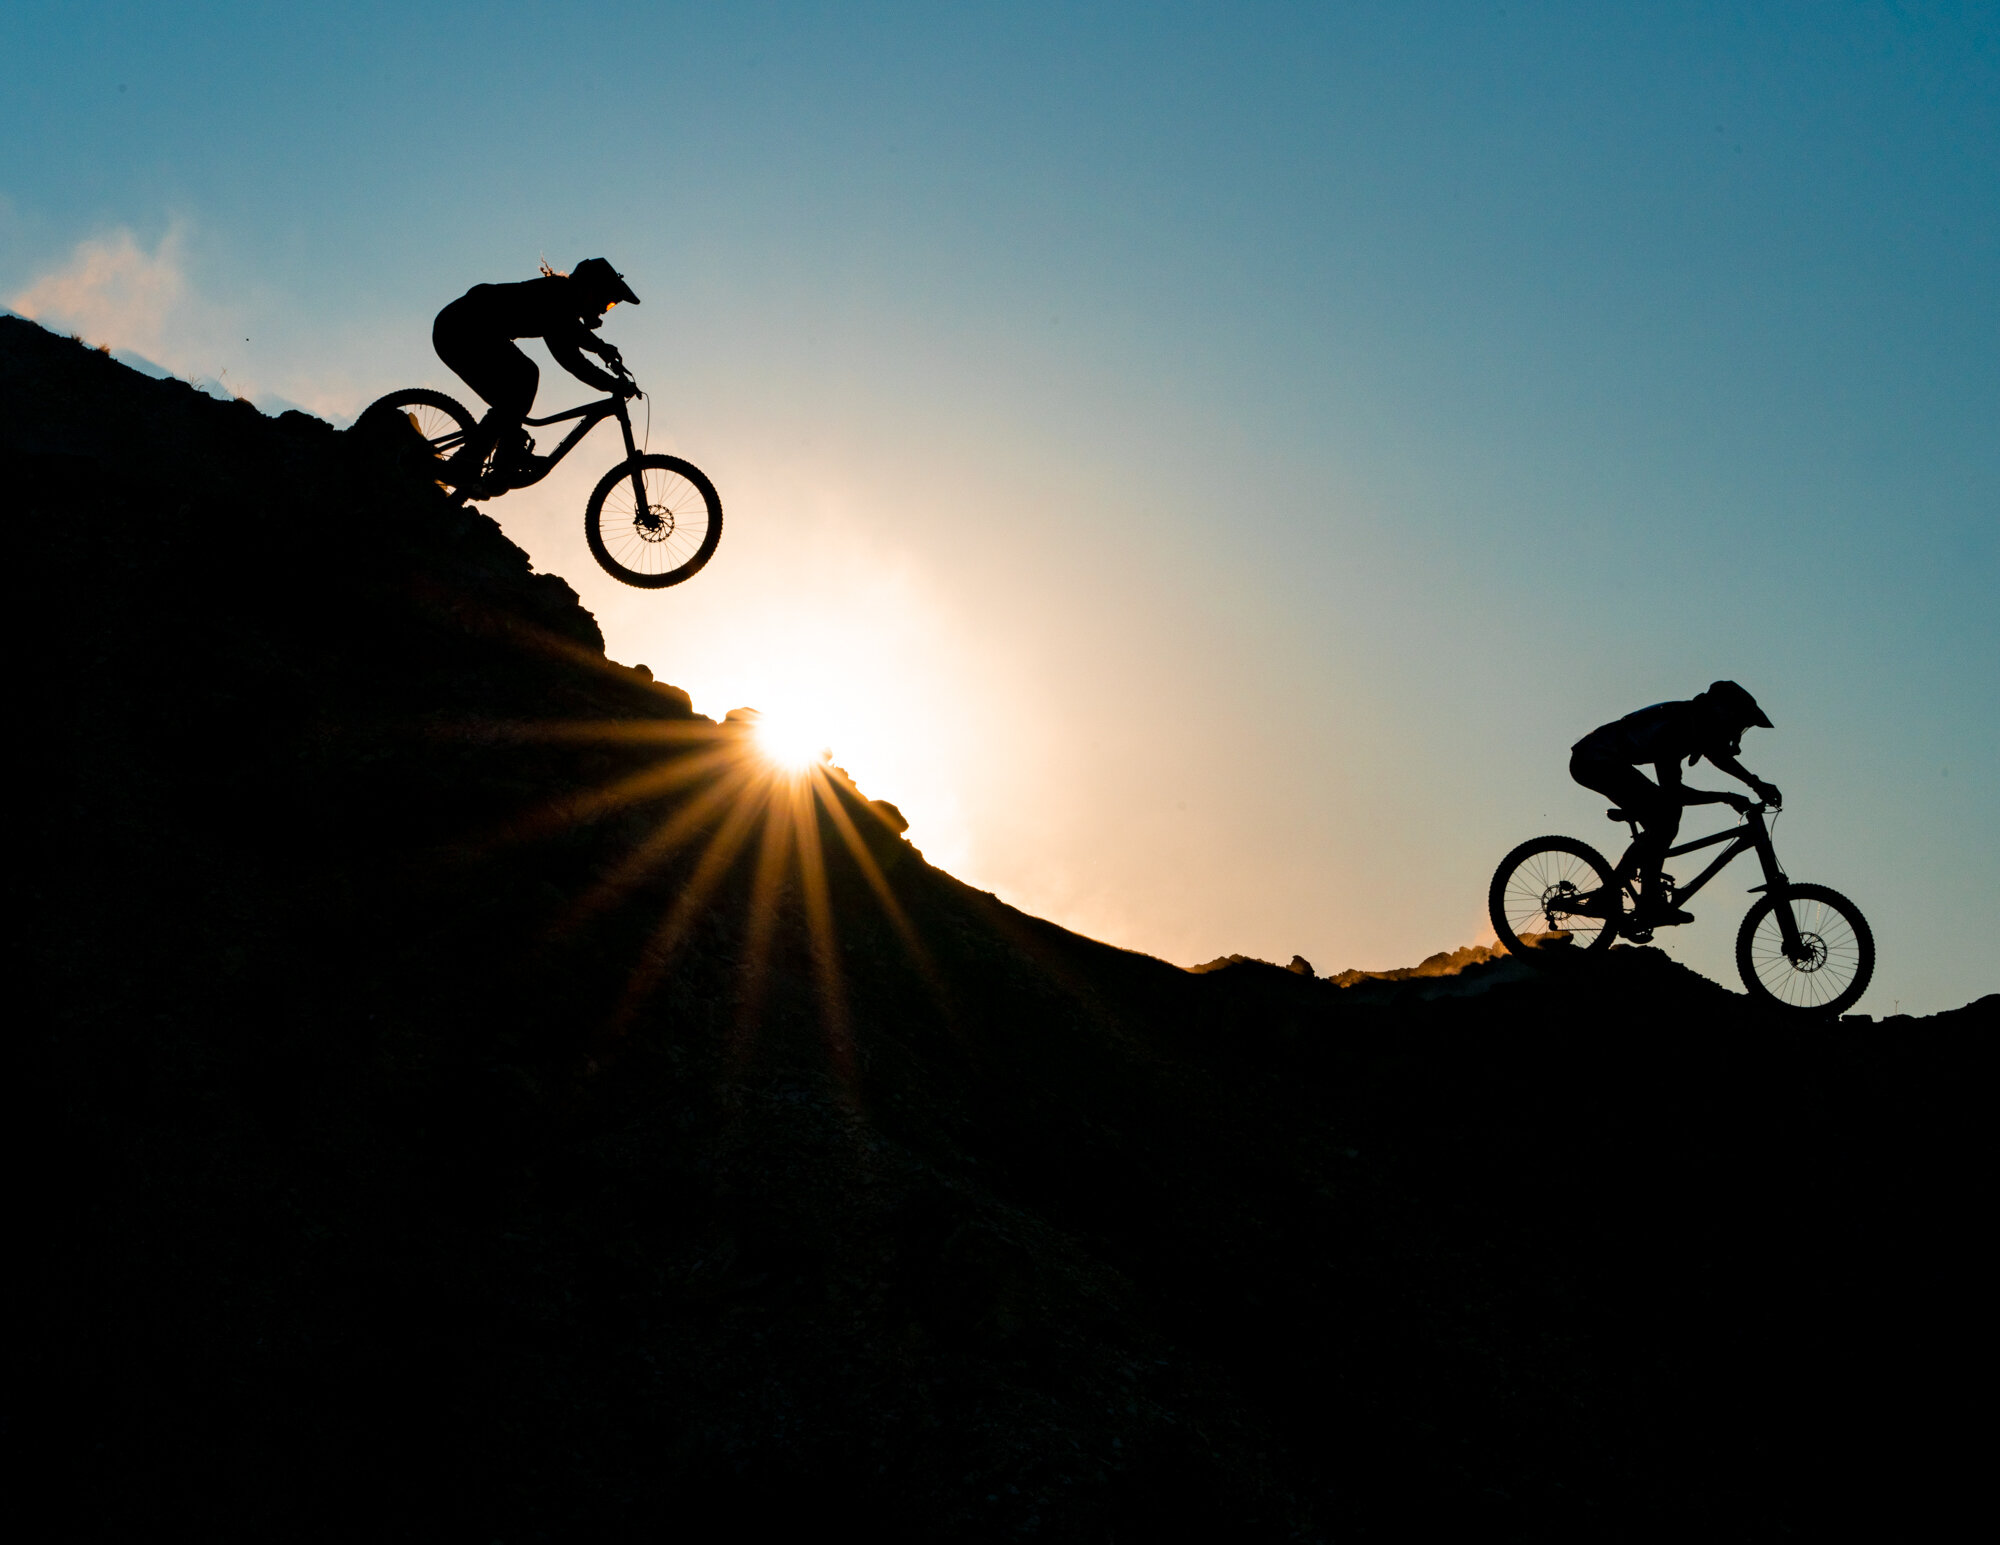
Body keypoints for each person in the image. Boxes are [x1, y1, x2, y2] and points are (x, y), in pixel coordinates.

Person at [1570, 681, 1783, 927]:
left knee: (1665, 817)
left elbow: (1720, 758)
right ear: (1723, 713)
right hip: (1593, 760)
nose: (1737, 732)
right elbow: (1674, 791)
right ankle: (1619, 897)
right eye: (1739, 723)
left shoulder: (1694, 723)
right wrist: (1726, 797)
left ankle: (1643, 899)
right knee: (1665, 815)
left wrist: (1756, 784)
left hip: (1600, 758)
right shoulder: (1678, 728)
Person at [432, 258, 641, 489]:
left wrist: (601, 349)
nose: (604, 309)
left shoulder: (561, 298)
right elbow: (571, 357)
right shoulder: (558, 296)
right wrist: (611, 381)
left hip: (460, 328)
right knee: (525, 375)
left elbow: (571, 331)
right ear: (591, 288)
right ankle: (476, 463)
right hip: (462, 328)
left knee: (510, 406)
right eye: (608, 301)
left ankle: (499, 457)